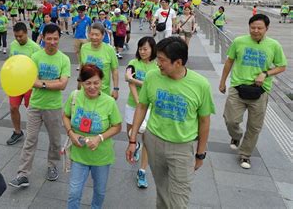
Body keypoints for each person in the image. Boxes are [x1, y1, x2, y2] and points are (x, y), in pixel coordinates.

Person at [126, 37, 215, 208]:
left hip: (182, 148)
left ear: (178, 62)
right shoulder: (152, 77)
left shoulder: (201, 85)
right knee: (162, 191)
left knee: (179, 199)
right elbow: (142, 107)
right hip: (154, 142)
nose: (157, 63)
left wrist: (200, 153)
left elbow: (204, 121)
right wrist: (132, 139)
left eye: (162, 60)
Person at [219, 14, 287, 169]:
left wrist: (266, 73)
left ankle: (245, 154)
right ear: (249, 27)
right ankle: (236, 136)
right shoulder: (239, 41)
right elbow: (229, 61)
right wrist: (222, 82)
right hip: (238, 87)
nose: (255, 30)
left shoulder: (274, 45)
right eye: (253, 27)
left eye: (259, 28)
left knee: (254, 126)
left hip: (260, 90)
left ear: (266, 29)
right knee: (231, 120)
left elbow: (282, 66)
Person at [9, 23, 71, 188]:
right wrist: (52, 82)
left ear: (59, 39)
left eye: (55, 39)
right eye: (48, 38)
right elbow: (31, 81)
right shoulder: (36, 57)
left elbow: (63, 84)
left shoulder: (64, 59)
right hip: (35, 106)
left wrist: (41, 83)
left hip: (54, 106)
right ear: (42, 38)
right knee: (30, 139)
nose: (52, 42)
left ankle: (52, 165)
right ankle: (23, 174)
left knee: (55, 140)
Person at [63, 64, 122, 209]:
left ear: (102, 81)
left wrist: (99, 138)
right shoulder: (74, 96)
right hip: (79, 154)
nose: (92, 87)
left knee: (100, 192)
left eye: (96, 83)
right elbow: (65, 116)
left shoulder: (109, 102)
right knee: (74, 192)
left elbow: (117, 126)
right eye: (87, 83)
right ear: (81, 82)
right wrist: (71, 133)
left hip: (101, 156)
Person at [124, 36, 157, 188]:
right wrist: (138, 102)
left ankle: (142, 171)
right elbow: (127, 78)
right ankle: (134, 145)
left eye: (145, 49)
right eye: (140, 48)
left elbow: (134, 81)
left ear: (152, 50)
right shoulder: (133, 63)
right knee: (131, 133)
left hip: (151, 107)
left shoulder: (157, 66)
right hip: (133, 104)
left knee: (148, 140)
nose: (142, 51)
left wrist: (136, 81)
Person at [7, 22, 41, 145]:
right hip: (15, 83)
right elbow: (10, 63)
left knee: (31, 110)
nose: (18, 39)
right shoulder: (13, 45)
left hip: (30, 84)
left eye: (21, 36)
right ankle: (17, 132)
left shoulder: (35, 47)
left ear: (26, 33)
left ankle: (32, 133)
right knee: (13, 107)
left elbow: (38, 68)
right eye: (16, 36)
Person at [80, 22, 119, 99]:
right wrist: (79, 82)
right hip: (85, 90)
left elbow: (114, 70)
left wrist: (116, 89)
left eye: (97, 35)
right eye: (92, 34)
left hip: (103, 91)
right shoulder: (84, 48)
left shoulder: (109, 50)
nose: (94, 37)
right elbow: (82, 67)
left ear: (103, 35)